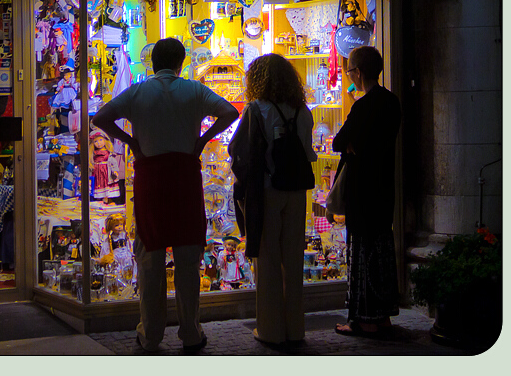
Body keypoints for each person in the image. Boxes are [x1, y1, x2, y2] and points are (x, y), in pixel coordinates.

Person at [90, 37, 237, 354]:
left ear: (152, 63)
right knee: (187, 258)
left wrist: (130, 141)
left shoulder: (139, 91)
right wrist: (202, 140)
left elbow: (100, 119)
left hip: (151, 178)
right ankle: (191, 333)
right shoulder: (194, 90)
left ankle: (151, 334)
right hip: (185, 176)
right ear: (181, 62)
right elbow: (229, 113)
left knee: (150, 258)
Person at [227, 53, 317, 347]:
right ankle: (295, 328)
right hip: (297, 191)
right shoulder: (303, 111)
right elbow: (308, 152)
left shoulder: (256, 109)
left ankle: (270, 330)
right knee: (293, 260)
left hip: (267, 189)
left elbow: (237, 149)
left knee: (267, 258)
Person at [332, 45, 402, 336]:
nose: (351, 76)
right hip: (384, 184)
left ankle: (361, 319)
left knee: (360, 252)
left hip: (362, 189)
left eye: (350, 71)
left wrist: (353, 145)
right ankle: (383, 316)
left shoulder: (362, 106)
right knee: (382, 249)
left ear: (358, 73)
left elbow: (339, 142)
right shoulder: (392, 102)